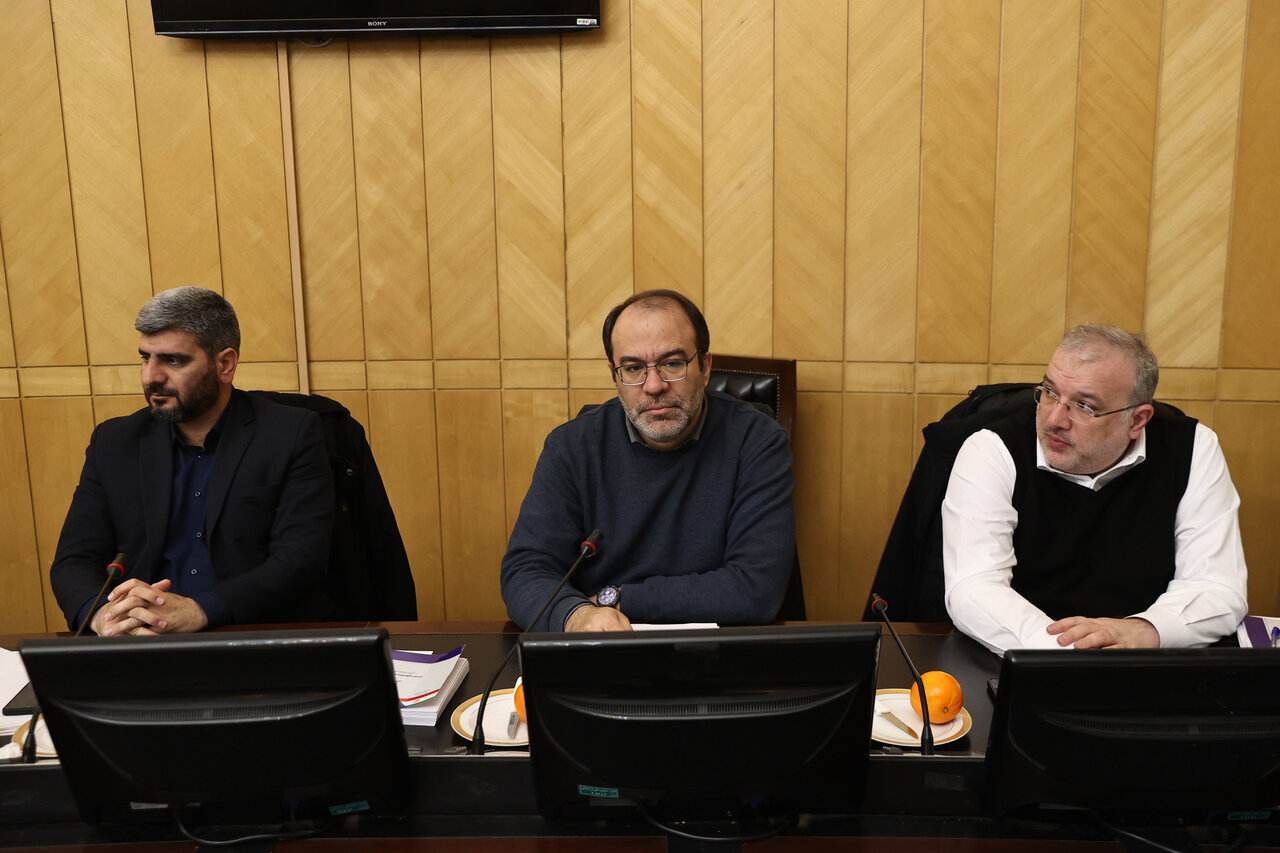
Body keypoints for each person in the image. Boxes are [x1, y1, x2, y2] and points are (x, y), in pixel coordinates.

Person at [500, 289, 795, 632]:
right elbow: (526, 571)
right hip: (604, 649)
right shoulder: (571, 447)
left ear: (705, 367)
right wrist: (576, 615)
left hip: (720, 651)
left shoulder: (757, 442)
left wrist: (618, 598)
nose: (653, 386)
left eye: (672, 363)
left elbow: (756, 588)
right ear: (615, 375)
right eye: (633, 368)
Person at [942, 324, 1248, 655]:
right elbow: (974, 587)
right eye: (1049, 393)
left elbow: (1218, 587)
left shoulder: (1192, 447)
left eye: (1084, 406)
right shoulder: (993, 449)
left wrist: (1143, 631)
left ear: (1137, 420)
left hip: (1147, 661)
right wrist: (1074, 652)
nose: (1054, 420)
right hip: (1018, 660)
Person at [50, 287, 335, 636]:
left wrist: (201, 610)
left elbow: (300, 559)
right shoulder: (114, 442)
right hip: (142, 642)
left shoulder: (290, 434)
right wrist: (102, 616)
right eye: (145, 358)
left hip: (249, 636)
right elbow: (74, 560)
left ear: (225, 364)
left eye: (173, 361)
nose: (150, 377)